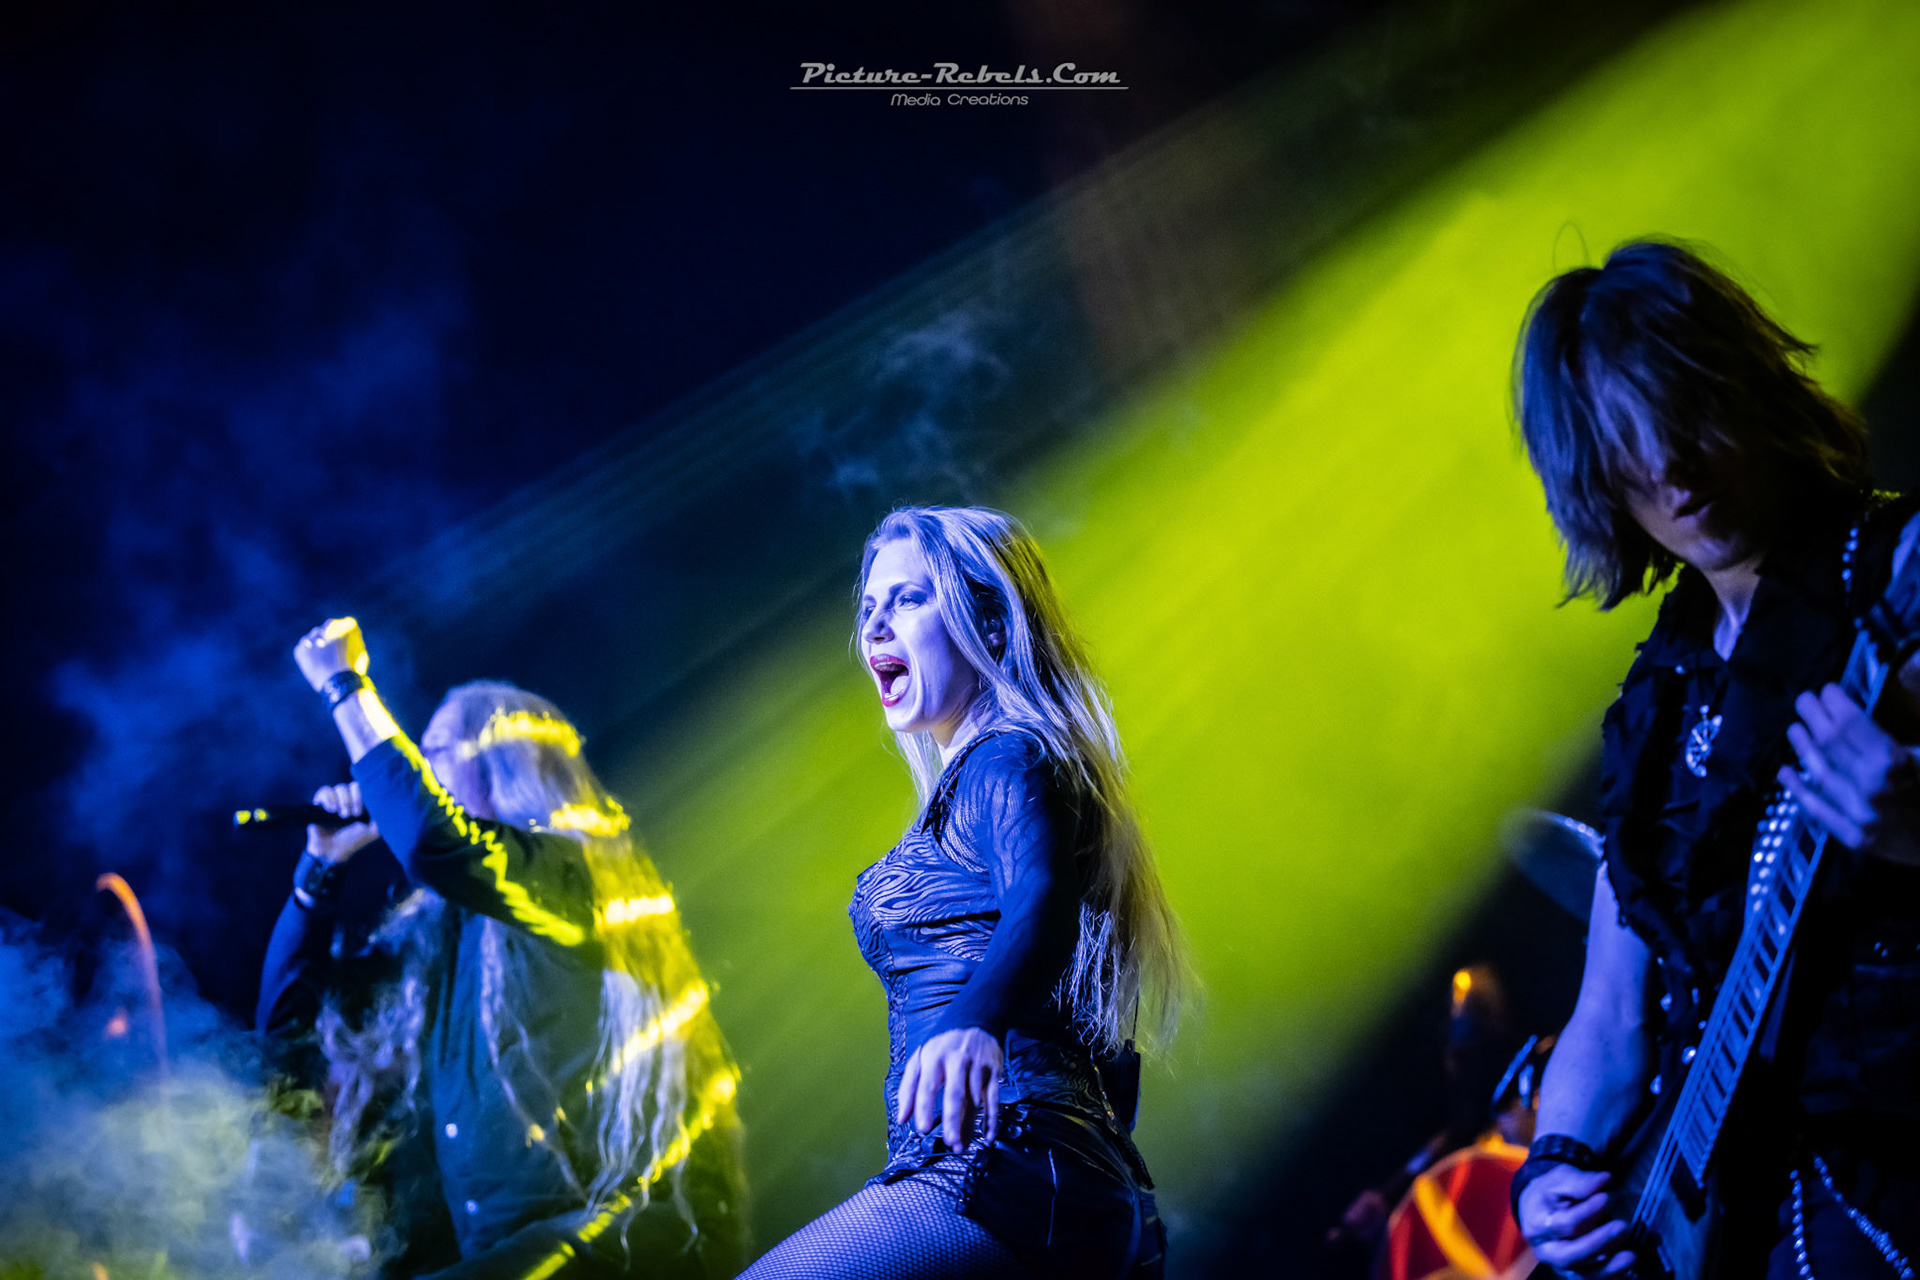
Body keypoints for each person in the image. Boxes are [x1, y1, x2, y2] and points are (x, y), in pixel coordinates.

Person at [1507, 240, 1920, 1277]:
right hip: (1735, 1219)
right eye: (1627, 446)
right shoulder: (1658, 700)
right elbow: (1611, 1010)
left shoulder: (1891, 574)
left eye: (1686, 415)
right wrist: (1552, 1170)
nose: (1673, 469)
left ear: (1748, 390)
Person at [739, 506, 1189, 1279]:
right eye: (869, 607)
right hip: (1056, 1181)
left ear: (991, 627)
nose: (876, 626)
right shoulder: (1001, 776)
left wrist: (975, 1018)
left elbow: (1040, 900)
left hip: (1004, 1167)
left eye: (910, 599)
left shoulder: (1007, 757)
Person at [260, 620, 746, 1279]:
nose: (418, 769)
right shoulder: (434, 935)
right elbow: (288, 1027)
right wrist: (320, 869)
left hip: (622, 1241)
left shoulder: (575, 875)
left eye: (434, 751)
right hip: (504, 1254)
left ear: (509, 765)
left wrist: (345, 686)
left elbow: (434, 842)